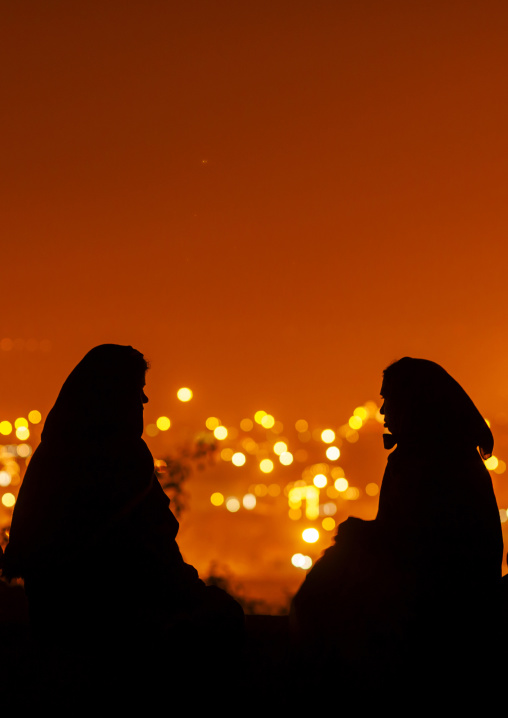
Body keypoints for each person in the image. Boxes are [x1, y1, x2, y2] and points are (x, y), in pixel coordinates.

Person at [3, 344, 244, 707]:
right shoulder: (118, 461)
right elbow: (149, 553)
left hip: (58, 614)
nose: (144, 400)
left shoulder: (54, 457)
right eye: (136, 390)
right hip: (102, 619)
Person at [290, 357, 503, 705]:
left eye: (390, 400)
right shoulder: (448, 455)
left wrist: (358, 537)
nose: (384, 412)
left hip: (445, 611)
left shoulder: (428, 461)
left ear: (414, 403)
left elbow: (417, 546)